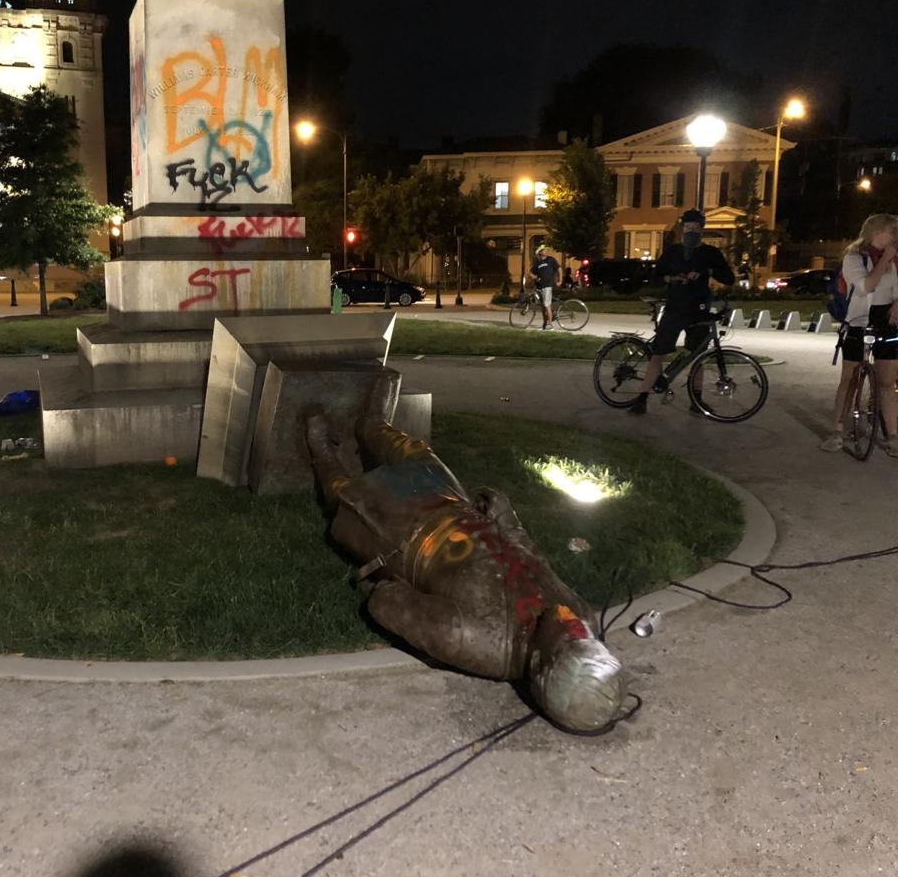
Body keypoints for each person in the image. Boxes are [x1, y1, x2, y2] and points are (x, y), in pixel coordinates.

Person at [303, 408, 628, 733]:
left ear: (540, 664)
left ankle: (322, 452)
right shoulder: (578, 615)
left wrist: (389, 581)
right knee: (415, 453)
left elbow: (386, 604)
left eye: (570, 637)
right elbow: (534, 563)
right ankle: (368, 422)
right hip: (458, 508)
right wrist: (507, 522)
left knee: (349, 497)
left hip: (409, 536)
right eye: (587, 637)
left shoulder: (471, 637)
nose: (574, 622)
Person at [628, 209, 735, 415]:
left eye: (695, 228)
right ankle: (642, 398)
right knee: (658, 353)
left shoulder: (710, 253)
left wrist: (708, 270)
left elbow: (729, 278)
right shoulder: (673, 252)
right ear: (682, 229)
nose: (690, 232)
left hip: (699, 310)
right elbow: (656, 277)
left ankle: (697, 401)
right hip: (675, 308)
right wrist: (672, 278)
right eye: (687, 228)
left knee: (698, 356)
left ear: (701, 230)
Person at [822, 214, 898, 452]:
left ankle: (893, 436)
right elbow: (866, 286)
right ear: (877, 232)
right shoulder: (854, 257)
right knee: (850, 378)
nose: (896, 236)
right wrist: (885, 259)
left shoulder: (895, 258)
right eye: (892, 231)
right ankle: (837, 431)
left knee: (887, 381)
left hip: (887, 320)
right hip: (859, 319)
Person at [532, 245, 560, 330]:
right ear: (539, 253)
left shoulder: (550, 260)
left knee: (547, 305)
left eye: (546, 250)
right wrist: (535, 277)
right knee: (544, 307)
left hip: (548, 285)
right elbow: (531, 273)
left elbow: (559, 269)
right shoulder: (538, 263)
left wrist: (560, 280)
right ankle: (545, 324)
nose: (546, 251)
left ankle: (550, 325)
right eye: (543, 250)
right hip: (540, 286)